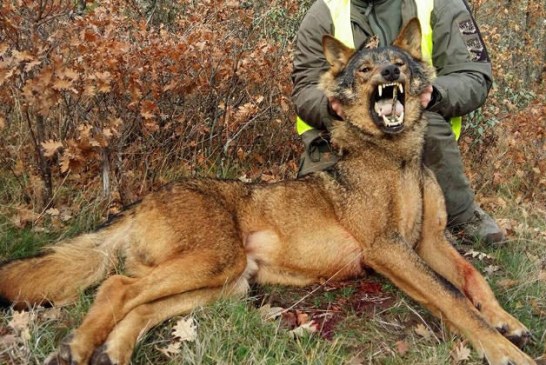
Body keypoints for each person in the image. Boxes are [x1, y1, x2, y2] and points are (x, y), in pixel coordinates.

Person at [291, 0, 505, 245]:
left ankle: (460, 216)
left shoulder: (441, 4)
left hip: (422, 139)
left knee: (427, 126)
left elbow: (474, 75)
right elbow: (305, 89)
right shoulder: (325, 11)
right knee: (320, 235)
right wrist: (330, 106)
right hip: (340, 136)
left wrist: (434, 94)